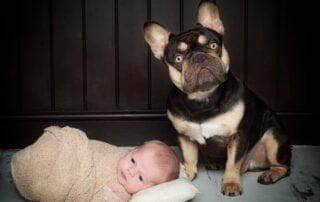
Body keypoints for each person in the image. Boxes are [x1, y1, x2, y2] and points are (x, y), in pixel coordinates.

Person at [10, 126, 179, 202]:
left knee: (49, 182)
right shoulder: (117, 154)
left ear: (149, 190)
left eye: (141, 177)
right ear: (132, 150)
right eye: (133, 160)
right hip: (68, 150)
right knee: (58, 144)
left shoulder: (120, 195)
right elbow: (92, 147)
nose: (130, 170)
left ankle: (35, 173)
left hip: (68, 179)